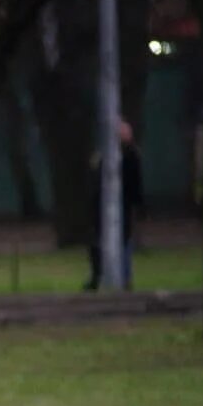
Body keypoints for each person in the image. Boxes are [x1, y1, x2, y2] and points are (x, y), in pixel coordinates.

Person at [85, 119, 145, 291]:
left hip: (122, 205)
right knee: (98, 242)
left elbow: (135, 183)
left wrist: (137, 204)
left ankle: (124, 278)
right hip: (102, 206)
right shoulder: (105, 154)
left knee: (123, 241)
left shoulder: (130, 155)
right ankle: (98, 275)